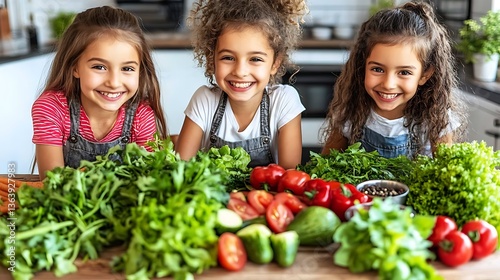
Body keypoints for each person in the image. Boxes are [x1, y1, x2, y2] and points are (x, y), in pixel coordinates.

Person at [32, 6, 168, 179]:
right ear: (75, 67)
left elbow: (151, 179)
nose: (113, 82)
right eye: (99, 67)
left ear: (140, 71)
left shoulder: (141, 116)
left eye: (127, 68)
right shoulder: (52, 108)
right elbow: (52, 183)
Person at [321, 1, 467, 159]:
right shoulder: (350, 111)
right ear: (362, 67)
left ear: (425, 75)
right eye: (377, 69)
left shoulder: (436, 118)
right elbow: (326, 166)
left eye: (404, 72)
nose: (388, 84)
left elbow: (446, 173)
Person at [175, 0, 309, 169]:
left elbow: (289, 176)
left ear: (275, 63)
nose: (240, 71)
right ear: (212, 59)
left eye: (255, 59)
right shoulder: (205, 100)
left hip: (269, 195)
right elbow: (181, 169)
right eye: (228, 58)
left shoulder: (284, 101)